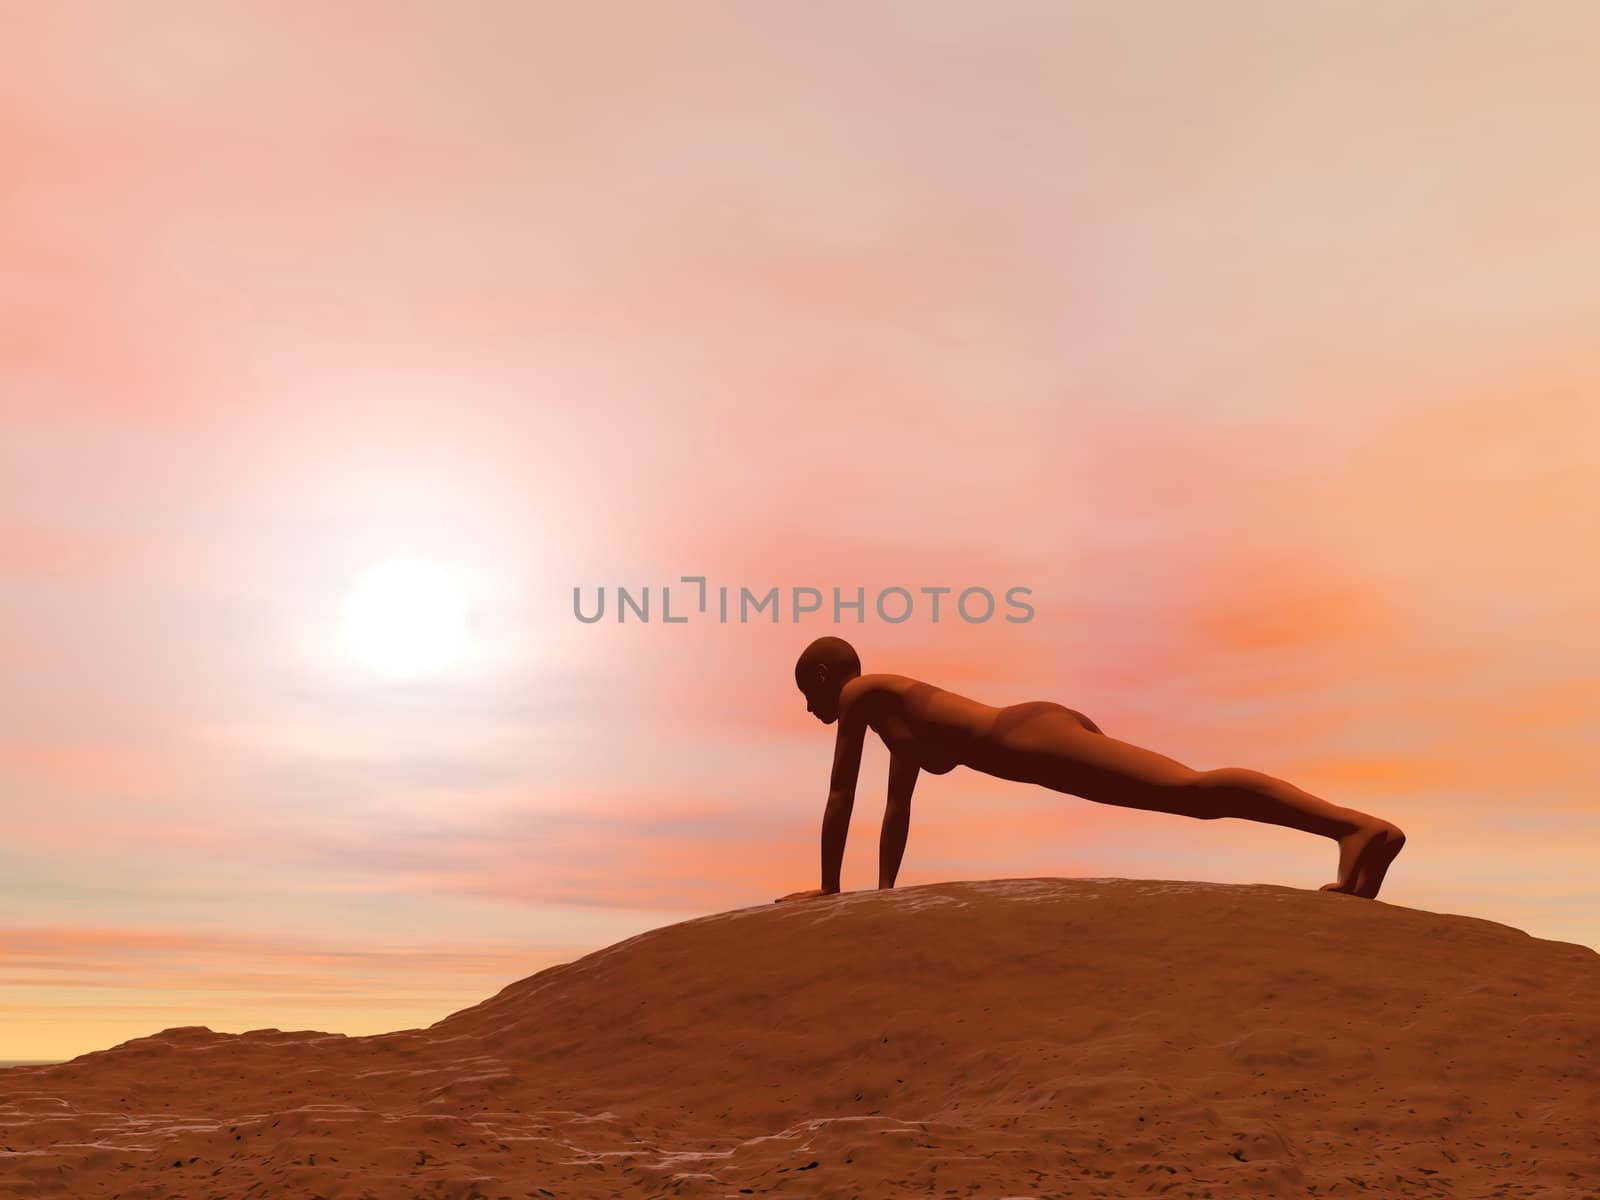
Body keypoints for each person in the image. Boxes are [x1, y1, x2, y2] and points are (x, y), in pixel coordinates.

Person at [775, 635, 1405, 903]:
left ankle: (1352, 828)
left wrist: (830, 890)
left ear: (828, 678)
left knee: (1187, 790)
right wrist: (883, 897)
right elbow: (894, 808)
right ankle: (1355, 839)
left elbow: (840, 796)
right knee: (1183, 791)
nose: (809, 708)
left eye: (808, 691)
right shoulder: (897, 716)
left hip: (1030, 739)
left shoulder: (862, 697)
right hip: (1035, 732)